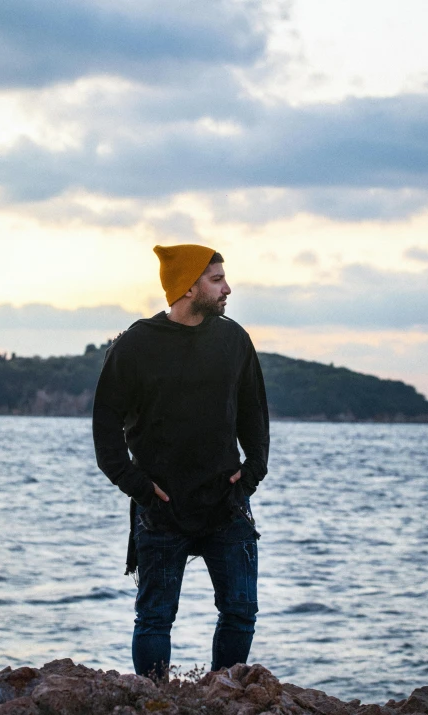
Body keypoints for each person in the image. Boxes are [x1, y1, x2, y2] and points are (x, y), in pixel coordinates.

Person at [93, 244, 269, 678]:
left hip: (226, 503)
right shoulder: (136, 345)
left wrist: (251, 473)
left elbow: (254, 413)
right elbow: (105, 428)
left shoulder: (233, 340)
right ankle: (153, 699)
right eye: (216, 280)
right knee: (154, 617)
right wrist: (137, 487)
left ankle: (222, 693)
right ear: (189, 287)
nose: (227, 288)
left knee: (241, 611)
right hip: (161, 506)